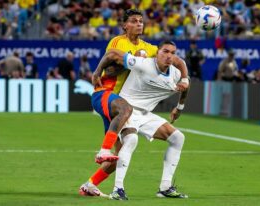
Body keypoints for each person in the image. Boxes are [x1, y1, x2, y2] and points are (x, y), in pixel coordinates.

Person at [79, 9, 189, 197]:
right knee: (128, 124)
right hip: (107, 92)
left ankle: (89, 185)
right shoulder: (118, 41)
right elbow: (112, 59)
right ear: (125, 25)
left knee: (119, 156)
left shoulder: (151, 48)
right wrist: (97, 72)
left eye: (141, 21)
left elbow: (177, 60)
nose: (139, 24)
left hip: (123, 103)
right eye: (134, 21)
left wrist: (184, 78)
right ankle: (108, 163)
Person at [101, 40, 189, 200]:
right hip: (125, 110)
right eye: (165, 52)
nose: (169, 56)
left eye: (172, 53)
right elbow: (113, 53)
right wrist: (97, 72)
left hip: (144, 114)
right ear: (157, 53)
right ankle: (117, 190)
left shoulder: (175, 74)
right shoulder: (143, 64)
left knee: (178, 138)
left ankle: (165, 187)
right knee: (131, 140)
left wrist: (179, 107)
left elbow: (185, 87)